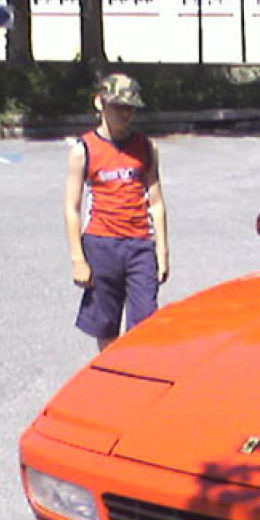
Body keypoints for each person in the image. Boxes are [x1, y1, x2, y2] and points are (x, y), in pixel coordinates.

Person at [64, 73, 169, 351]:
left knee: (145, 324)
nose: (125, 114)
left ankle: (138, 377)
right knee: (106, 325)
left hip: (139, 246)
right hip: (101, 244)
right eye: (118, 106)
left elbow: (156, 201)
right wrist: (78, 259)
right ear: (100, 104)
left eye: (130, 108)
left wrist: (162, 251)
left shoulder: (146, 147)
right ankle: (114, 384)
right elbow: (71, 207)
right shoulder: (83, 149)